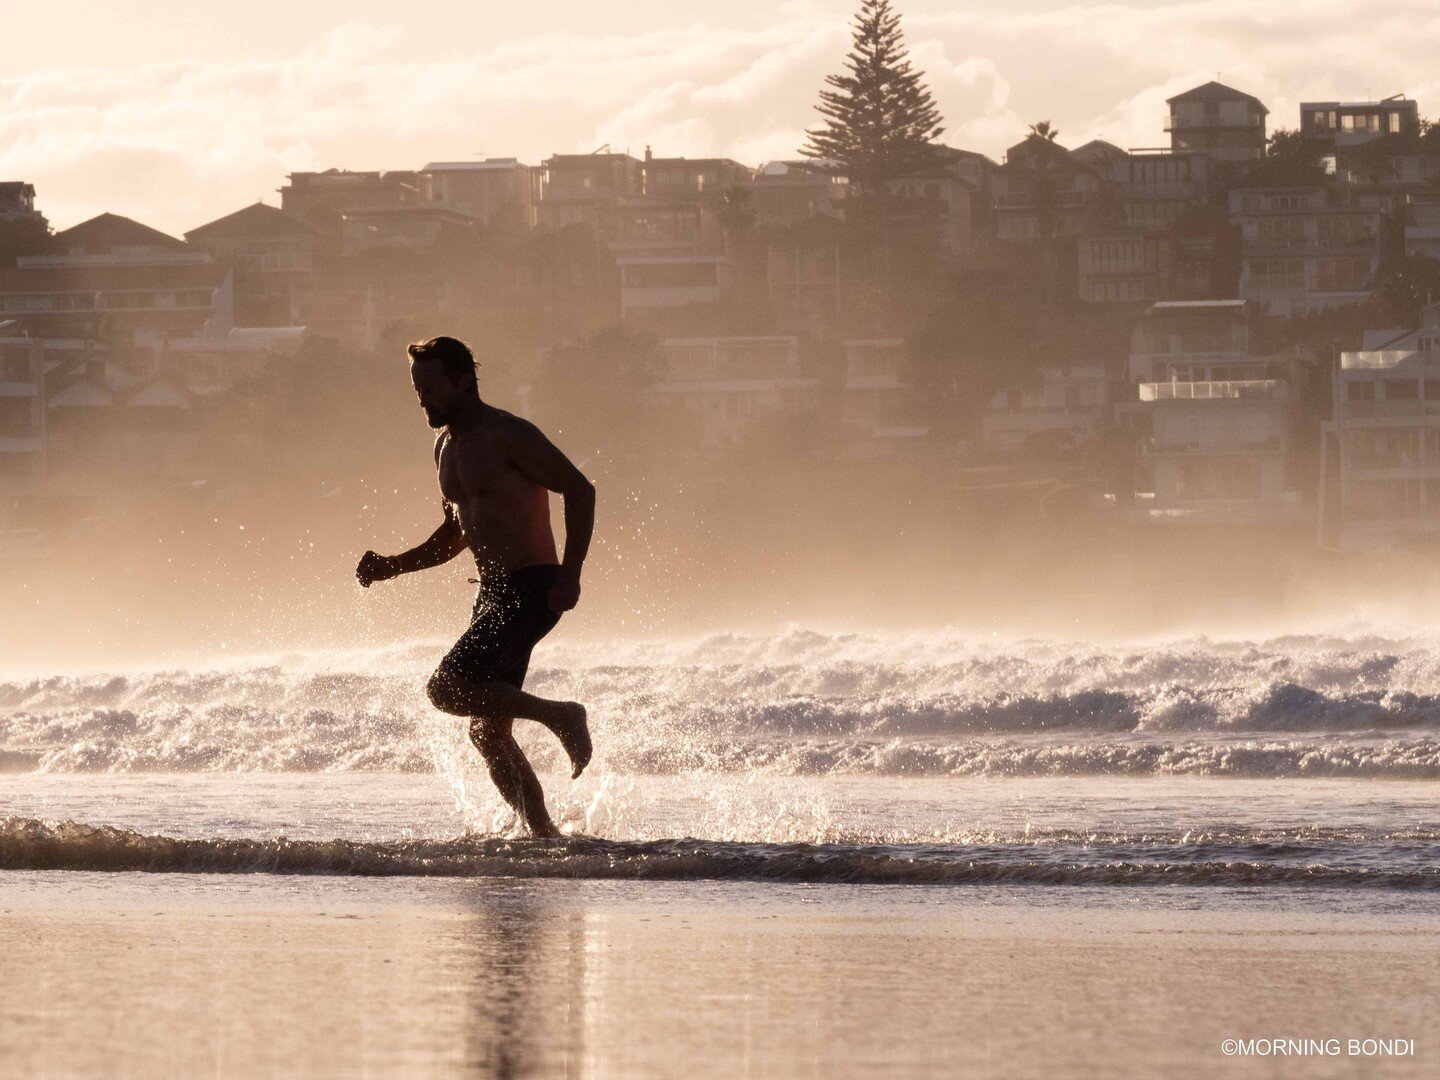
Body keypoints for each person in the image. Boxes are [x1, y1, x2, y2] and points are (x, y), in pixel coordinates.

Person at [356, 336, 595, 838]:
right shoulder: (445, 448)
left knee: (446, 688)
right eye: (416, 388)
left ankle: (562, 716)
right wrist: (392, 566)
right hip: (492, 594)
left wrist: (571, 573)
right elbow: (454, 535)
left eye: (430, 386)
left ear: (464, 381)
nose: (422, 398)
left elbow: (579, 488)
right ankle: (545, 836)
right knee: (487, 733)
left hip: (534, 586)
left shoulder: (507, 434)